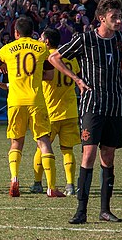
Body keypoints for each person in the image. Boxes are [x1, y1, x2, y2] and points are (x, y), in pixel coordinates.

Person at [48, 0, 122, 224]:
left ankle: (105, 210)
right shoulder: (85, 39)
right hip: (92, 105)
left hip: (115, 105)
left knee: (109, 155)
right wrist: (76, 79)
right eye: (113, 17)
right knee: (88, 154)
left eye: (119, 16)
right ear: (101, 18)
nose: (118, 21)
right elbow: (54, 57)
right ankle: (81, 210)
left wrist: (119, 74)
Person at [0, 16, 64, 198]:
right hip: (36, 100)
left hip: (15, 101)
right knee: (44, 142)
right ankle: (51, 187)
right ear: (33, 32)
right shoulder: (42, 48)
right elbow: (49, 76)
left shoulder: (7, 48)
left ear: (16, 33)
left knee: (16, 142)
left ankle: (14, 179)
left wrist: (4, 66)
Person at [30, 28, 80, 196]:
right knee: (67, 150)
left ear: (46, 42)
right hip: (70, 110)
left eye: (40, 38)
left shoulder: (44, 57)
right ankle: (70, 185)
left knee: (42, 148)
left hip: (50, 111)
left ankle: (37, 183)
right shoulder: (70, 58)